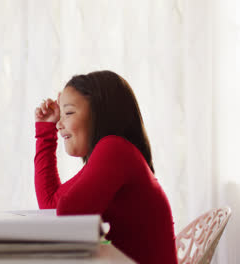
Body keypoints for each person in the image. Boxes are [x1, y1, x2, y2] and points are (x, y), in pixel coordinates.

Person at [34, 70, 177, 263]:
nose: (59, 123)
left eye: (67, 112)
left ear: (100, 114)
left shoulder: (114, 149)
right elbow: (50, 204)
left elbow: (68, 215)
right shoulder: (115, 153)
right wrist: (45, 131)